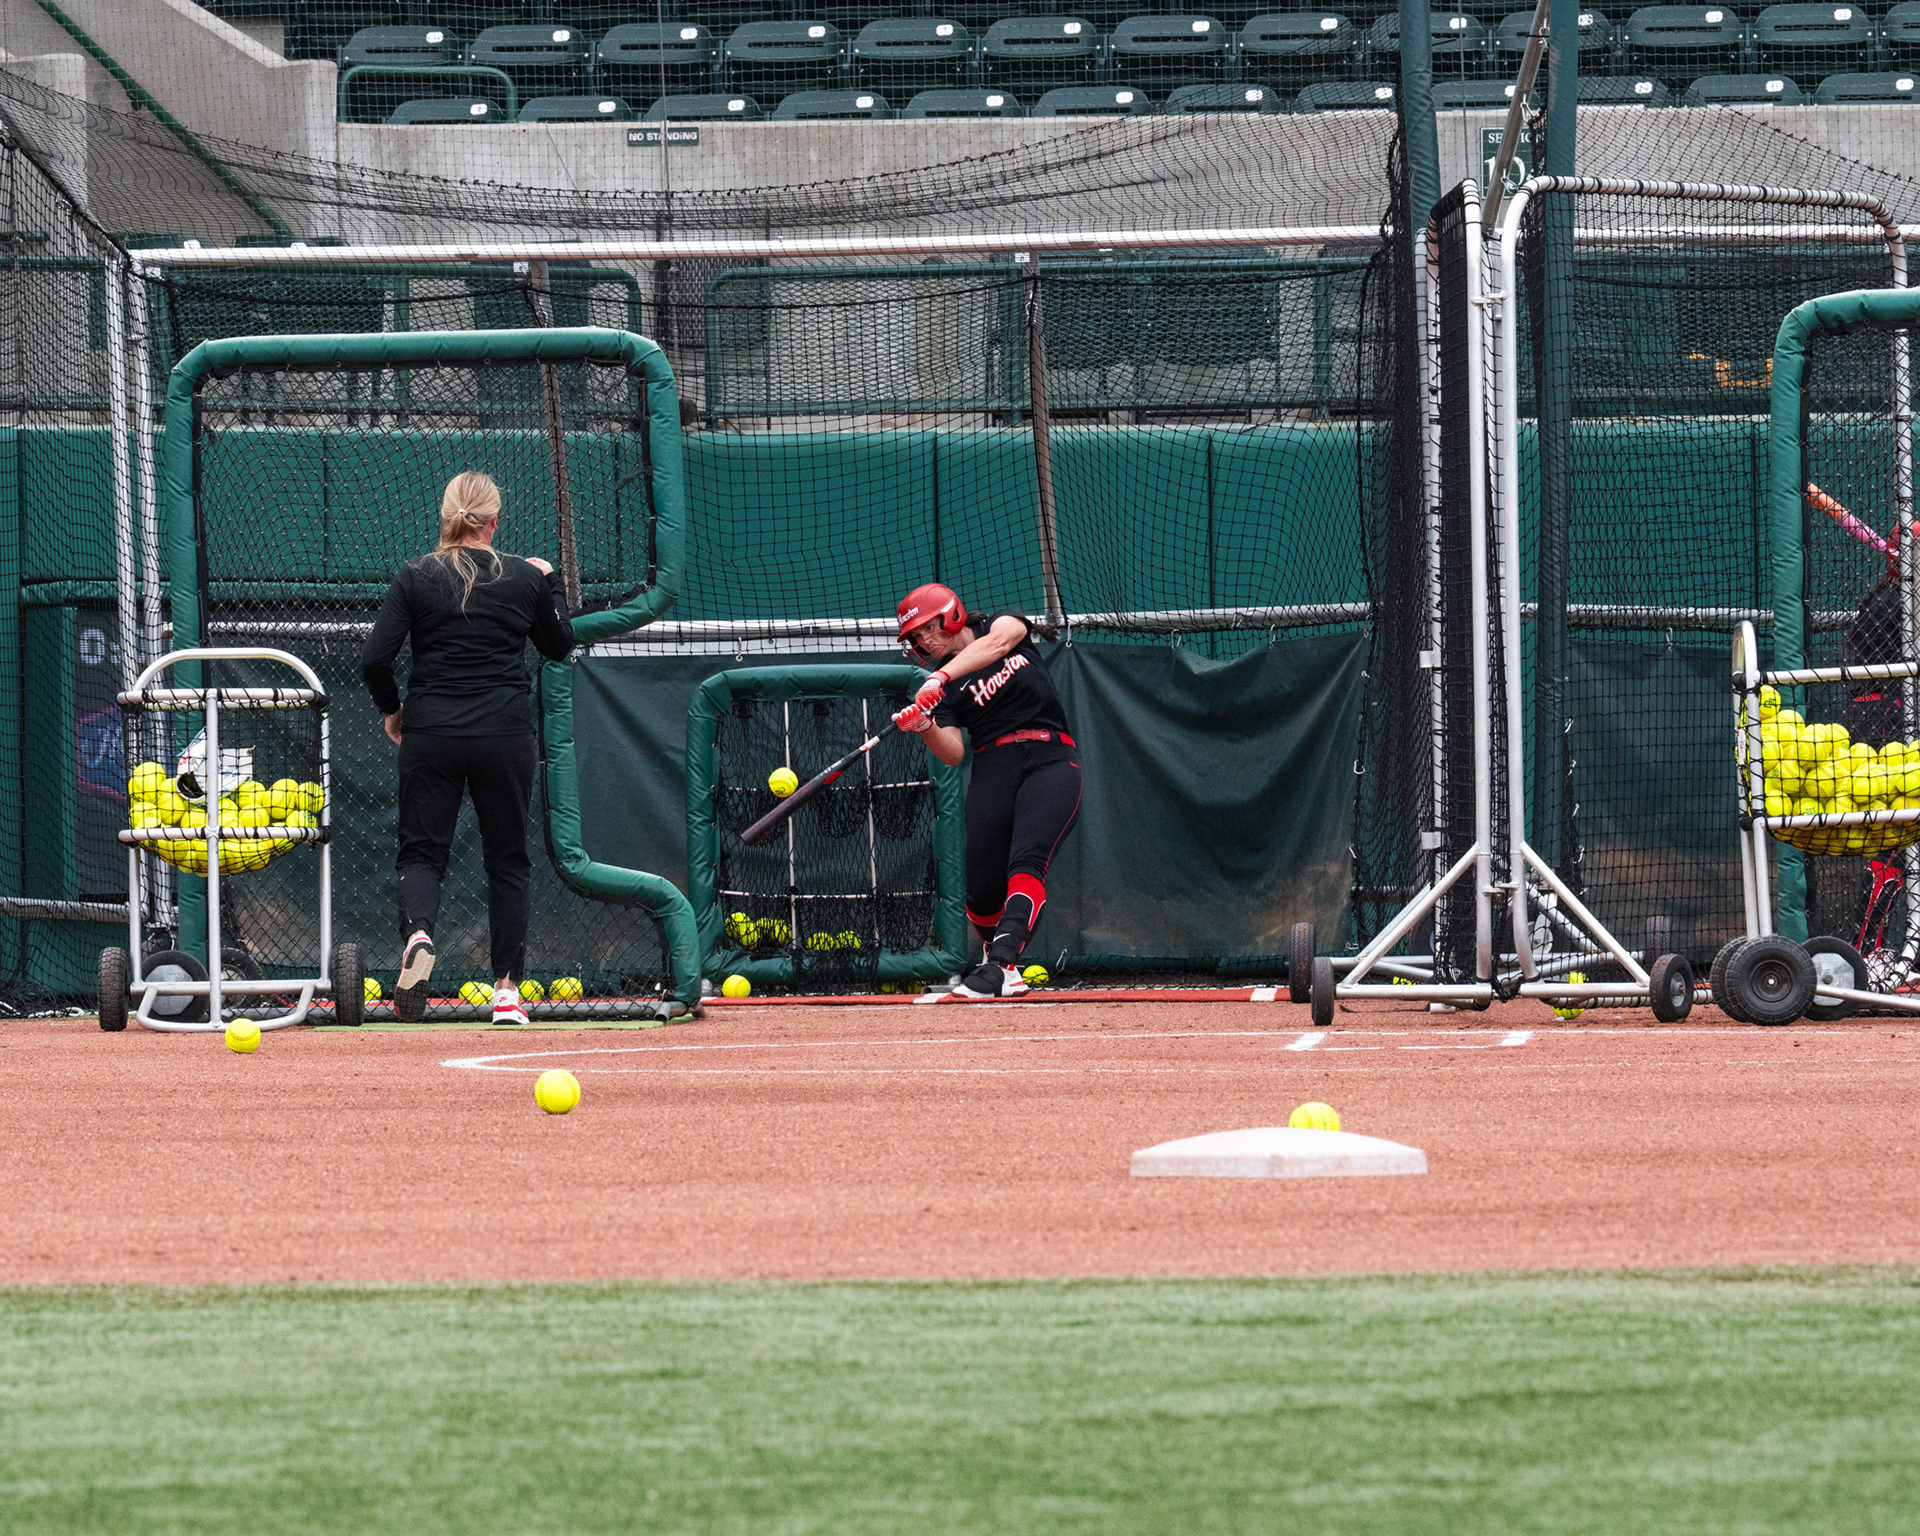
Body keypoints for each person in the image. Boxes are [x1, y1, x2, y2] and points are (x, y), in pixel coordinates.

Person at [360, 471, 574, 1024]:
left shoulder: (416, 576)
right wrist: (551, 582)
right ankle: (506, 993)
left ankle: (419, 935)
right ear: (494, 521)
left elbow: (374, 658)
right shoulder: (523, 577)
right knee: (507, 860)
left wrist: (393, 711)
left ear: (446, 516)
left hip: (432, 733)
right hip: (505, 735)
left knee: (421, 854)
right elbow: (559, 645)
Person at [890, 583, 1081, 1000]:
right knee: (980, 891)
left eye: (928, 628)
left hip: (1050, 758)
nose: (925, 641)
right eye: (917, 637)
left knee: (1027, 862)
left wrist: (938, 677)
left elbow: (998, 644)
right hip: (994, 765)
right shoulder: (943, 692)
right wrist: (925, 725)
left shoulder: (1000, 624)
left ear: (952, 614)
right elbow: (953, 753)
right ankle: (1005, 972)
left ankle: (999, 966)